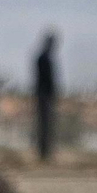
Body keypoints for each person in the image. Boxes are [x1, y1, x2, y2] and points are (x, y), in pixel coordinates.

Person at [33, 30, 59, 162]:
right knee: (44, 125)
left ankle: (46, 152)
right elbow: (46, 79)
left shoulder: (45, 57)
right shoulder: (43, 58)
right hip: (44, 96)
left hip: (46, 96)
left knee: (47, 125)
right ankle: (44, 152)